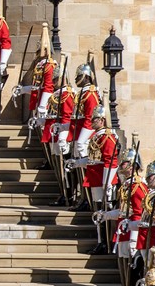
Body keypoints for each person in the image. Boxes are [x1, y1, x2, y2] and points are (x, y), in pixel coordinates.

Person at [97, 145, 145, 286]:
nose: (121, 165)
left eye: (124, 163)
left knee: (131, 274)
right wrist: (106, 216)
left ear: (132, 166)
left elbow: (139, 213)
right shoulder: (126, 186)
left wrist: (133, 238)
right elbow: (123, 211)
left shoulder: (138, 187)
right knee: (124, 273)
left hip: (131, 233)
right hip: (123, 231)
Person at [66, 106, 118, 252]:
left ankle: (105, 243)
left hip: (102, 180)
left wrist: (107, 183)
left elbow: (111, 161)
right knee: (98, 212)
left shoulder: (107, 137)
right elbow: (92, 160)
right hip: (95, 179)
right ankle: (101, 241)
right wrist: (77, 163)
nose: (91, 121)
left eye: (94, 119)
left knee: (104, 212)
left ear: (102, 120)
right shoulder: (98, 136)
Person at [67, 62, 101, 210]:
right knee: (79, 170)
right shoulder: (83, 93)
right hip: (78, 133)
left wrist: (81, 141)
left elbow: (90, 118)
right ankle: (82, 197)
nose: (76, 79)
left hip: (85, 137)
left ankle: (87, 199)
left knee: (85, 168)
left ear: (86, 77)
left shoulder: (91, 94)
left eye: (79, 76)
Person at [44, 67, 75, 206]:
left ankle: (68, 195)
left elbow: (67, 117)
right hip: (54, 133)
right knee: (58, 167)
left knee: (64, 168)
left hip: (62, 135)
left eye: (56, 79)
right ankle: (63, 193)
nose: (54, 82)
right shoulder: (57, 94)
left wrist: (62, 136)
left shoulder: (67, 94)